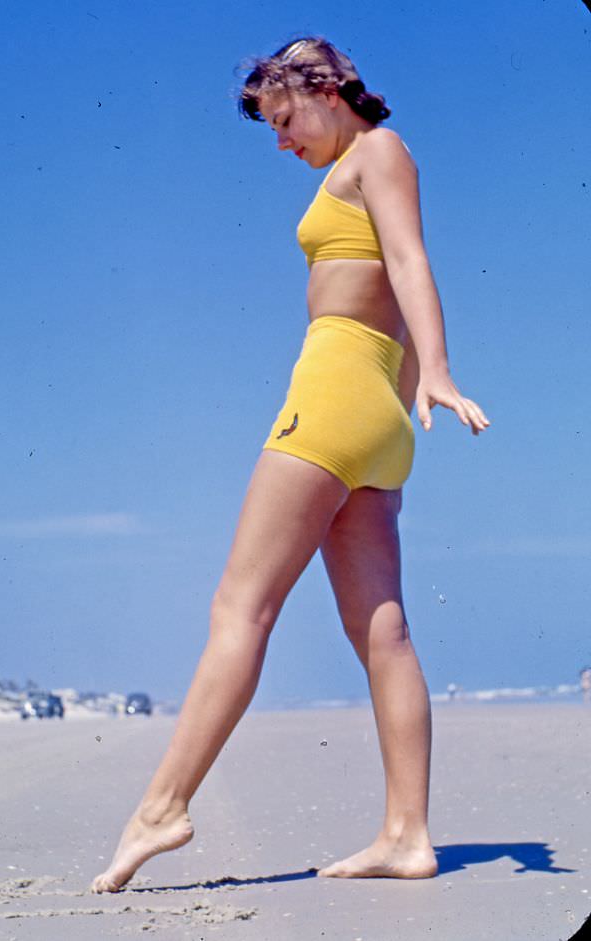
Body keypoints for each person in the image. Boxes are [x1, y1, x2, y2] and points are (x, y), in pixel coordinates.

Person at [92, 36, 489, 894]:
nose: (280, 142)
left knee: (241, 605)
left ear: (328, 87)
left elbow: (413, 260)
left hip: (338, 396)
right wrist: (418, 388)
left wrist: (444, 369)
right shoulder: (367, 162)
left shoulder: (377, 151)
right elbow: (395, 273)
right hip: (379, 414)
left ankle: (163, 806)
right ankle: (407, 834)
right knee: (383, 631)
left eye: (283, 119)